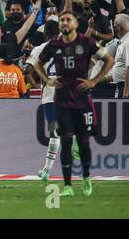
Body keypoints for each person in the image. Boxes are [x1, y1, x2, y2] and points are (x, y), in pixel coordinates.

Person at [34, 10, 114, 197]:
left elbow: (108, 59)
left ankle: (86, 177)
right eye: (62, 19)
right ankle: (68, 186)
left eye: (68, 19)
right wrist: (48, 79)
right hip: (61, 101)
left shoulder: (87, 43)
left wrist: (94, 81)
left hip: (81, 100)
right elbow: (37, 64)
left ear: (76, 24)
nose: (64, 22)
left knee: (84, 144)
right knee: (66, 142)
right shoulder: (53, 45)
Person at [25, 20, 61, 181]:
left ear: (45, 33)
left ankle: (47, 170)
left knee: (55, 134)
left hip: (50, 96)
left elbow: (28, 72)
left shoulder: (40, 49)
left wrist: (40, 84)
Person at [112, 14, 129, 98]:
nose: (115, 30)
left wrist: (126, 94)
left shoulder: (127, 43)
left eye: (115, 27)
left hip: (125, 88)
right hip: (120, 86)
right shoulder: (123, 42)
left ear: (121, 27)